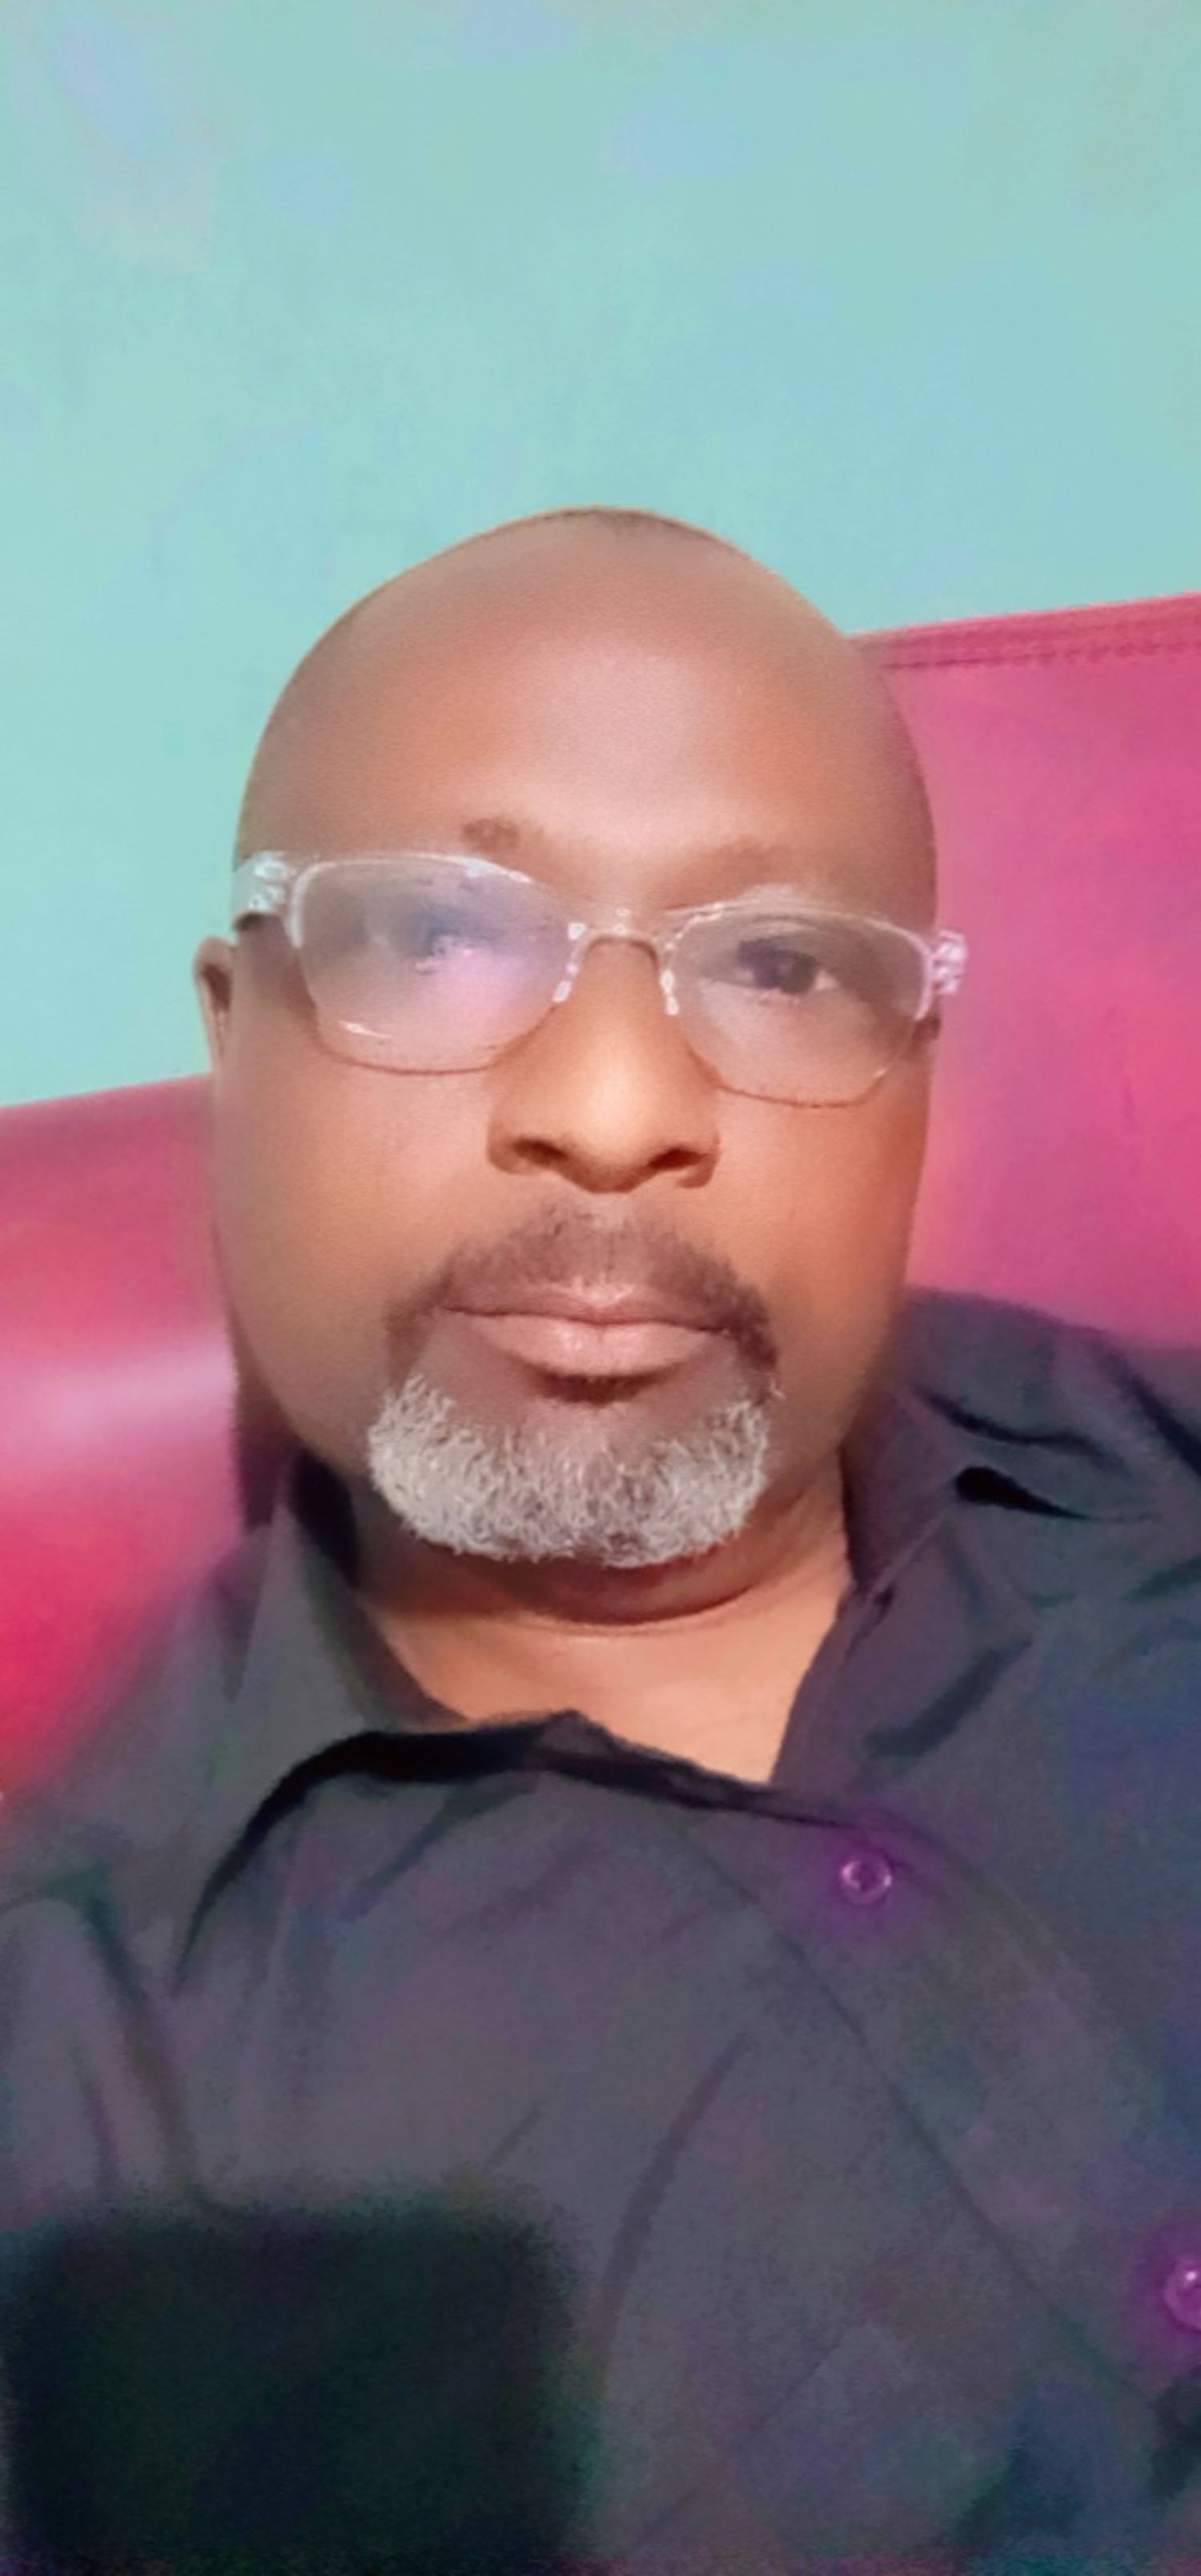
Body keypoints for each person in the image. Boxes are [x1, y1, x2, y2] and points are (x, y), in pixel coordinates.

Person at [4, 505, 1201, 2574]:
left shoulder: (1147, 1475)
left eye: (781, 964)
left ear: (917, 1082)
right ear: (232, 1035)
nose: (620, 1103)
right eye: (434, 936)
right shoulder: (82, 2130)